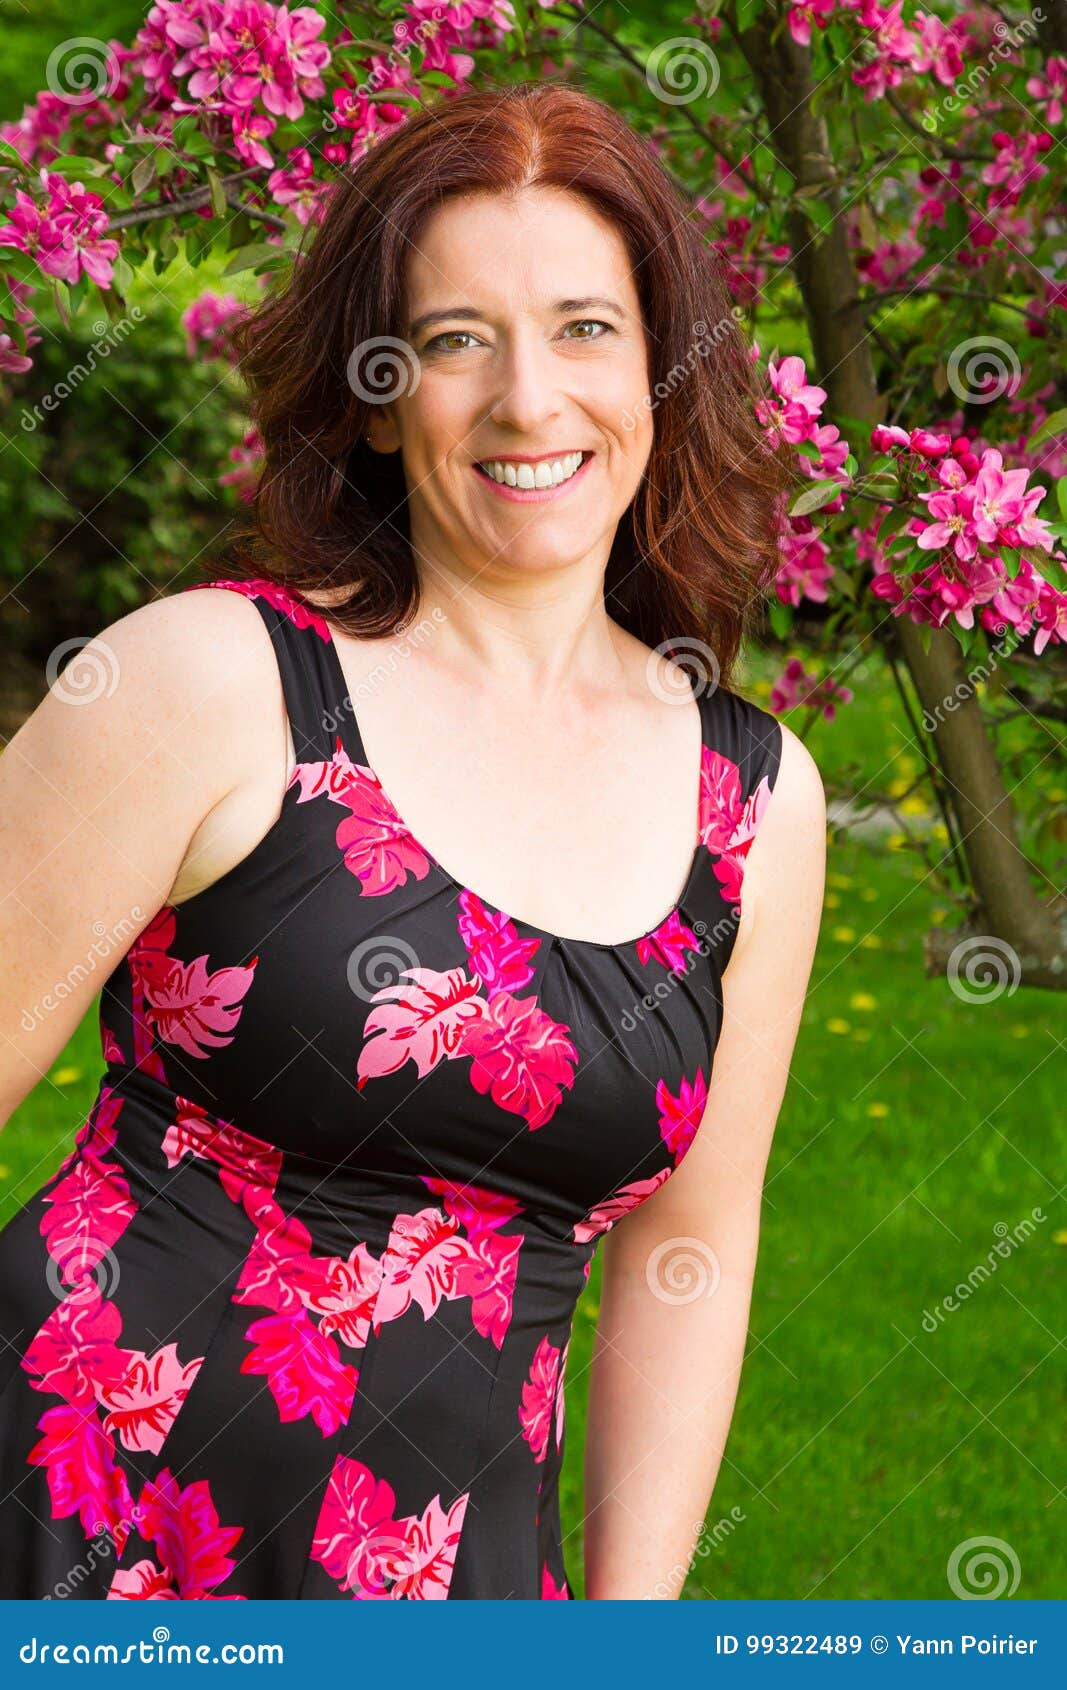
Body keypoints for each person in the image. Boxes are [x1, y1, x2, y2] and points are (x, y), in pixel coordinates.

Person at [0, 81, 824, 1600]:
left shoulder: (754, 803)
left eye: (586, 327)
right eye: (455, 340)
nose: (528, 400)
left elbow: (687, 1264)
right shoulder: (209, 679)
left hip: (444, 1592)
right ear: (376, 391)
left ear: (663, 368)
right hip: (60, 1521)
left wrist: (628, 1638)